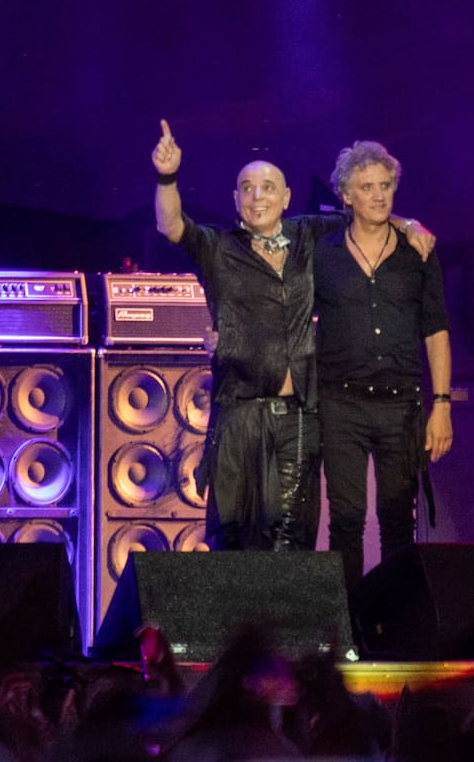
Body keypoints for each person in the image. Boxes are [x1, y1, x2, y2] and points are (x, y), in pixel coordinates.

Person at [151, 121, 432, 552]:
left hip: (300, 415)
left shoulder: (308, 235)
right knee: (234, 535)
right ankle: (235, 619)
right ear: (236, 199)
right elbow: (172, 226)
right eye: (247, 188)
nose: (257, 196)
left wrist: (408, 221)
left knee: (290, 536)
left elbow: (366, 212)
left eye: (267, 188)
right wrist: (167, 176)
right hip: (239, 414)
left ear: (285, 198)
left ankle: (289, 620)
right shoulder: (218, 247)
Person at [313, 140, 453, 594]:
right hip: (341, 404)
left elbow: (436, 329)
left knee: (398, 520)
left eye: (386, 186)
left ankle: (397, 630)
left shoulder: (419, 251)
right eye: (366, 187)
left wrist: (443, 404)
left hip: (401, 405)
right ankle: (349, 629)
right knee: (347, 521)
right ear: (346, 195)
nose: (378, 195)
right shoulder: (324, 250)